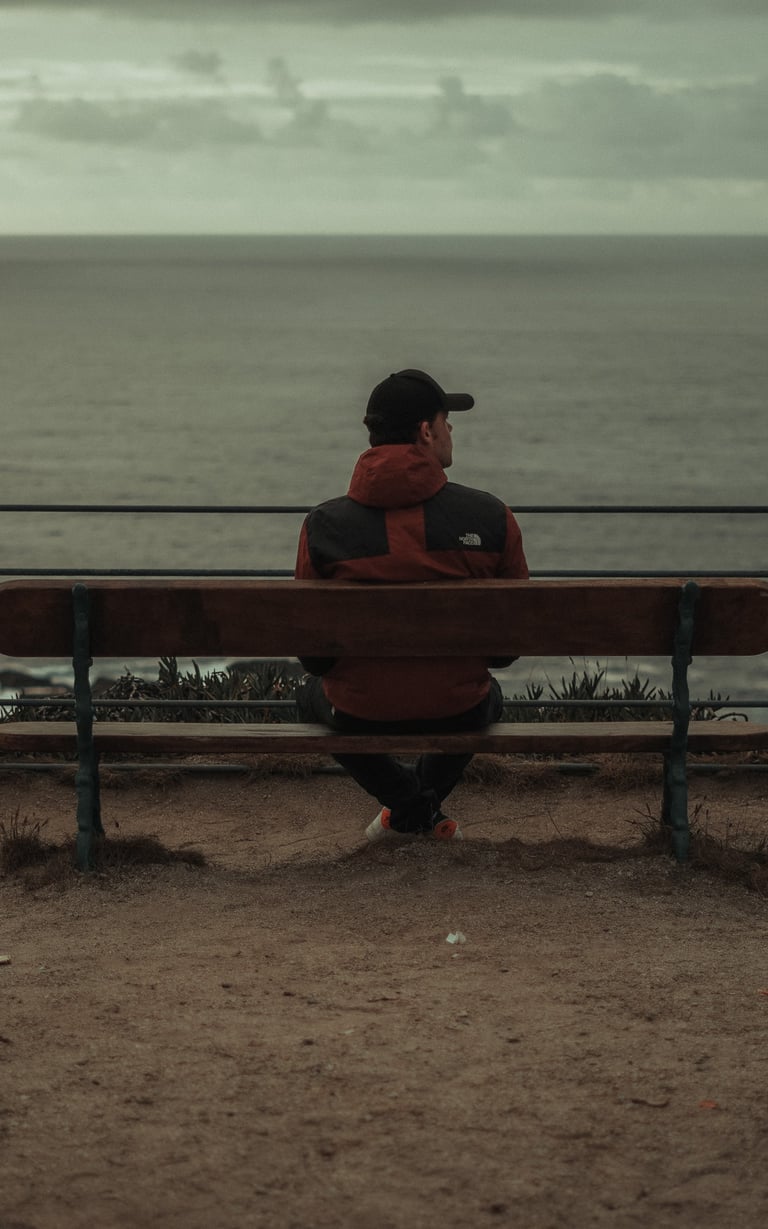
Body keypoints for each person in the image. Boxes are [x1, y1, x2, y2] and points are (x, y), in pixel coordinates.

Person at [295, 368, 528, 842]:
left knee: (308, 696)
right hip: (459, 708)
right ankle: (418, 809)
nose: (451, 431)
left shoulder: (323, 526)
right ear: (426, 431)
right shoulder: (491, 516)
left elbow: (314, 657)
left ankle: (406, 807)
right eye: (446, 421)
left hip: (359, 712)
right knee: (487, 698)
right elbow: (506, 649)